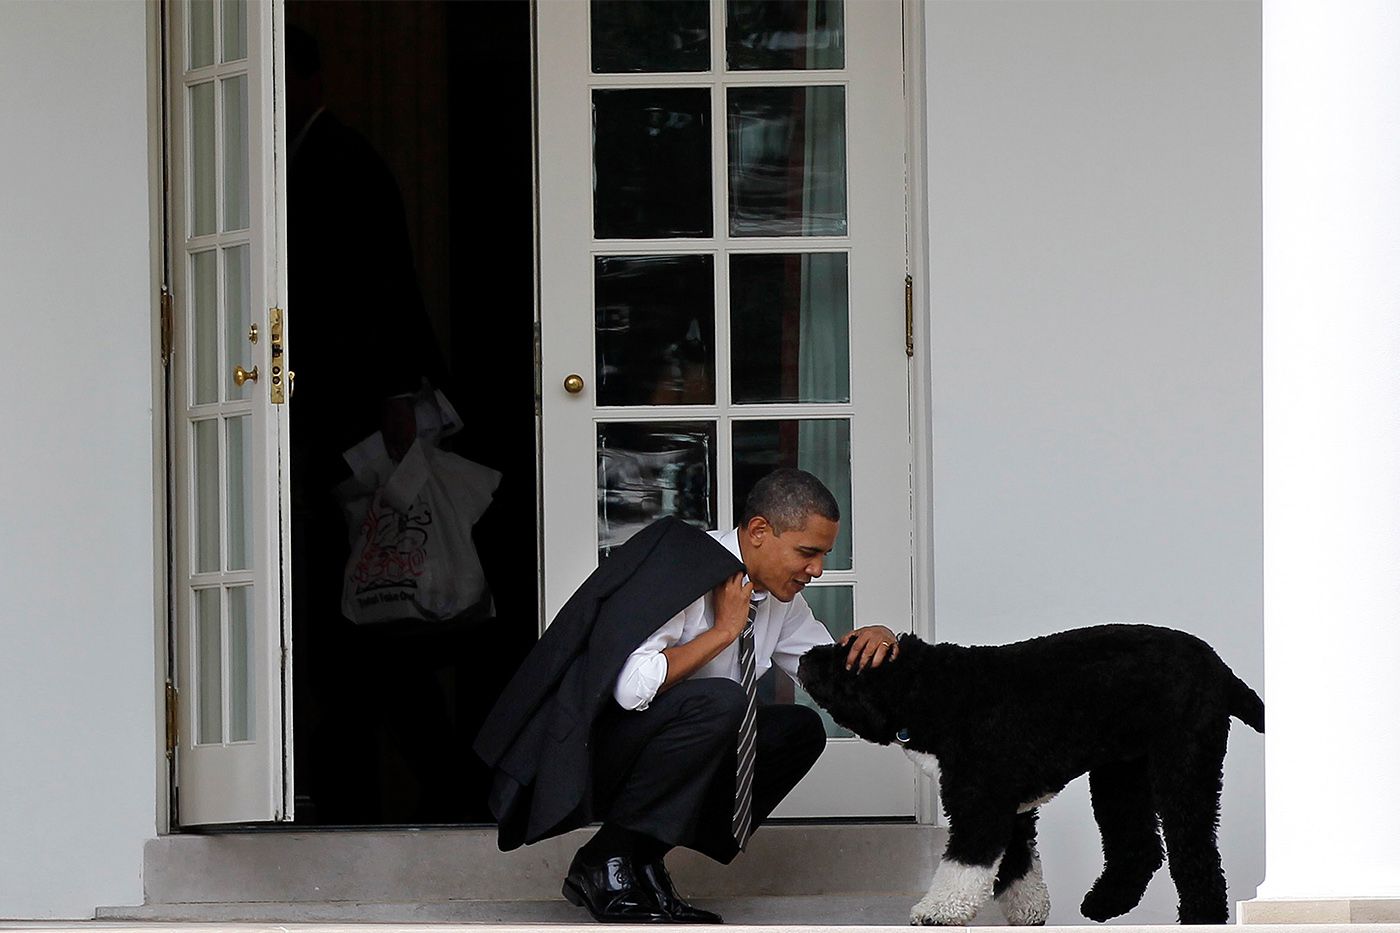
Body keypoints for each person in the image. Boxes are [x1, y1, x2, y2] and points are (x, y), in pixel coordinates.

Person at [474, 469, 899, 923]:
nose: (817, 569)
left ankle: (639, 856)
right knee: (721, 702)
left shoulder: (779, 599)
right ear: (759, 531)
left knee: (800, 730)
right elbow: (630, 687)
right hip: (592, 752)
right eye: (807, 552)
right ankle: (605, 861)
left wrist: (886, 646)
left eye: (823, 555)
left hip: (672, 750)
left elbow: (826, 680)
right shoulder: (683, 565)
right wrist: (723, 632)